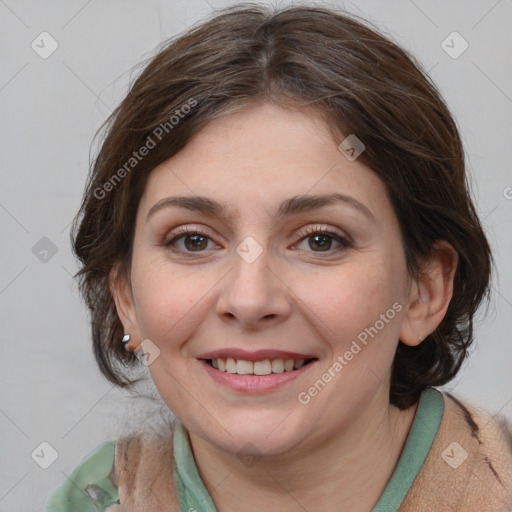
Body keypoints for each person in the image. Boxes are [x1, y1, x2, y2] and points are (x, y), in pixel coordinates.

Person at [46, 3, 512, 511]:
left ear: (423, 291)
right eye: (193, 240)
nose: (250, 300)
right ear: (126, 298)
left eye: (320, 240)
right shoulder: (98, 499)